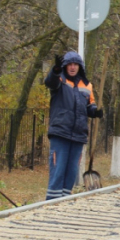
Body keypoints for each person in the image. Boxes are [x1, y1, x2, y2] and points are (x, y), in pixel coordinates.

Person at [44, 51, 102, 200]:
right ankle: (52, 204)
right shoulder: (60, 80)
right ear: (65, 66)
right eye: (69, 64)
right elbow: (50, 82)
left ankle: (65, 202)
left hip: (78, 135)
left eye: (75, 64)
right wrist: (56, 70)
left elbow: (89, 106)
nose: (72, 67)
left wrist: (95, 112)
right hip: (60, 133)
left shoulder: (87, 85)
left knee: (71, 172)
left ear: (80, 66)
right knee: (58, 171)